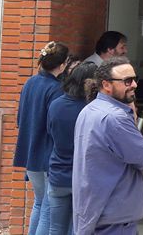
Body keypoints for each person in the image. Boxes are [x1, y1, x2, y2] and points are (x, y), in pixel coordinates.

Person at [73, 57, 143, 235]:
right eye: (127, 81)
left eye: (134, 79)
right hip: (114, 217)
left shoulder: (89, 110)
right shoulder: (116, 118)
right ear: (106, 85)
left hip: (97, 211)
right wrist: (133, 122)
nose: (134, 84)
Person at [14, 41, 69, 235]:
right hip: (47, 154)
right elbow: (55, 125)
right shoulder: (56, 89)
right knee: (47, 206)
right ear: (62, 65)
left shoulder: (30, 82)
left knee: (39, 202)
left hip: (29, 151)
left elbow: (20, 118)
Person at [45, 62, 96, 235]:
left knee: (55, 228)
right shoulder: (91, 110)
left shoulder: (56, 104)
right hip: (83, 177)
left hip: (58, 173)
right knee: (79, 229)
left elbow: (50, 132)